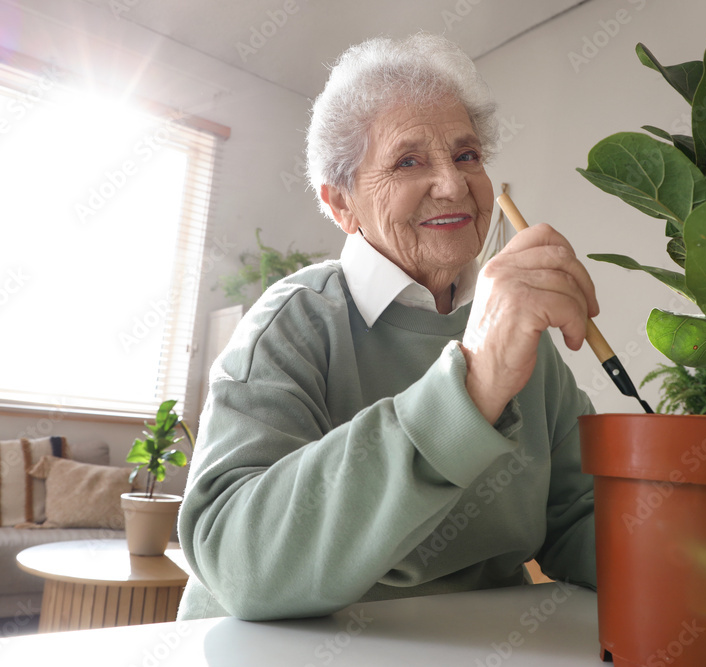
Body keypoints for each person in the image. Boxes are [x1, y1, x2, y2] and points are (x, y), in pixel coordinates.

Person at [177, 33, 600, 622]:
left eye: (467, 155)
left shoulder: (527, 346)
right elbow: (237, 563)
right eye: (408, 161)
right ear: (341, 204)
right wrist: (471, 387)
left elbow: (583, 517)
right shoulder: (294, 323)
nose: (454, 184)